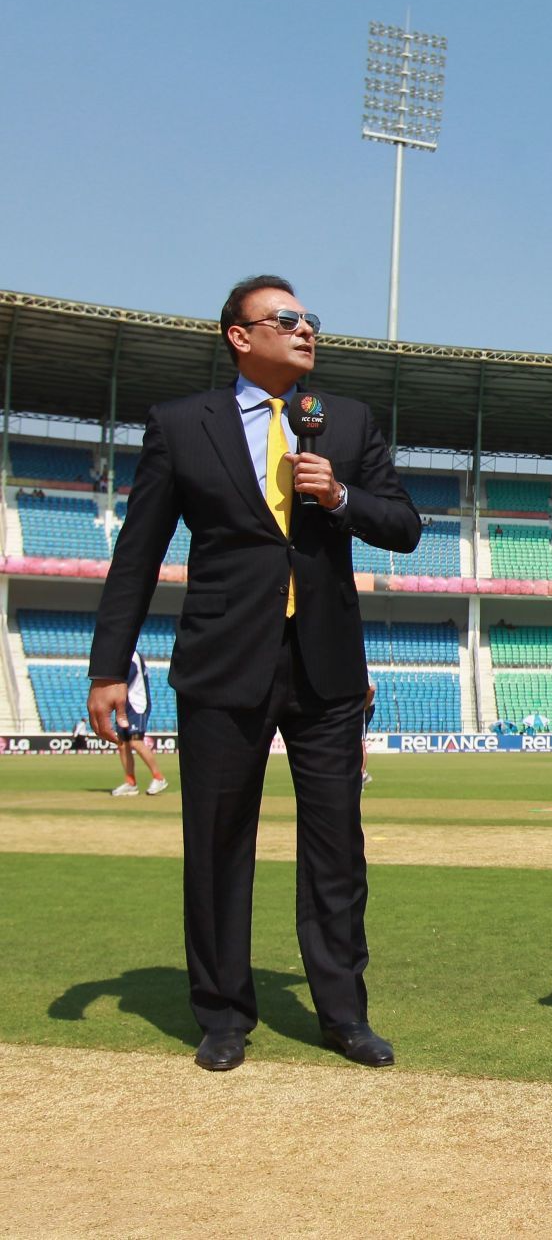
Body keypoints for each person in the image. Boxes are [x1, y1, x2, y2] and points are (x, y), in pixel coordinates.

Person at [88, 275, 421, 1073]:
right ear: (239, 336)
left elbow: (405, 526)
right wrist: (108, 670)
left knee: (337, 847)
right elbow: (138, 555)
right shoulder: (179, 425)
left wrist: (340, 494)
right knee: (216, 843)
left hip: (328, 667)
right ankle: (223, 1016)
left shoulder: (346, 420)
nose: (306, 330)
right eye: (286, 320)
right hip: (222, 661)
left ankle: (344, 1014)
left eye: (310, 320)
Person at [109, 649, 169, 797]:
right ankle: (130, 783)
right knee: (123, 744)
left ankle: (159, 777)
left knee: (136, 742)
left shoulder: (131, 654)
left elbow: (127, 678)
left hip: (137, 704)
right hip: (125, 705)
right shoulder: (121, 654)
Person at [360, 682, 376, 789]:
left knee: (360, 742)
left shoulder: (360, 668)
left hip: (363, 708)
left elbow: (372, 688)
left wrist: (365, 706)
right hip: (359, 707)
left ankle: (361, 775)